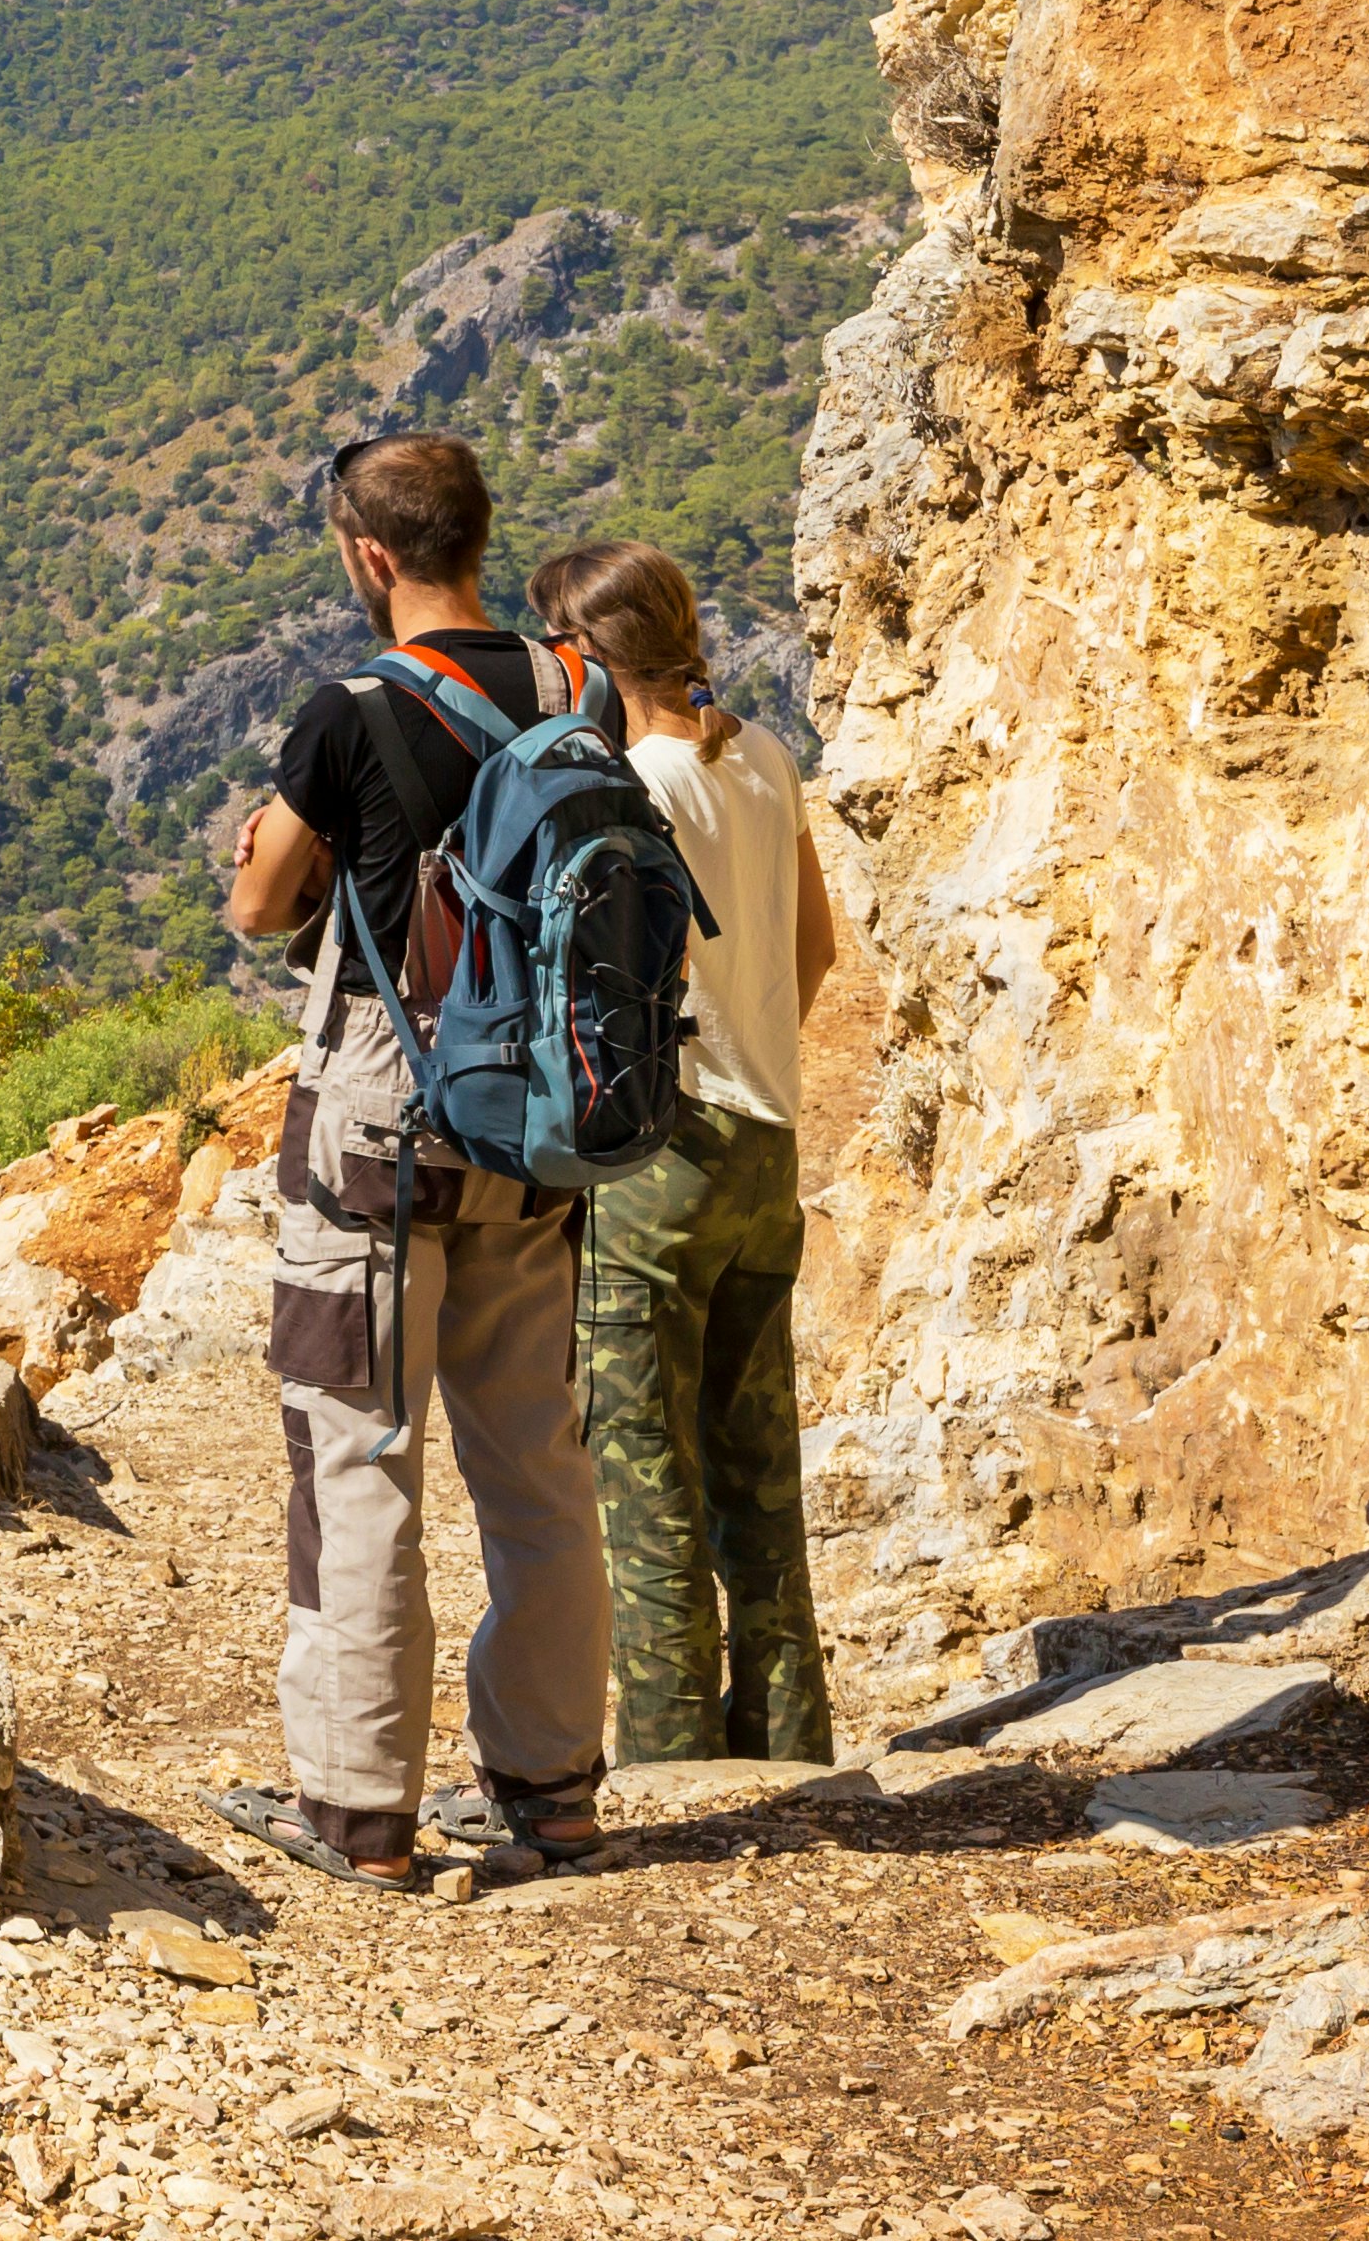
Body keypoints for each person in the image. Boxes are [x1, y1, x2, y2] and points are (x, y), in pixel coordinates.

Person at [213, 430, 610, 1892]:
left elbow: (264, 908)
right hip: (543, 1121)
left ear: (368, 556)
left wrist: (274, 837)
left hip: (385, 1113)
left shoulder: (351, 708)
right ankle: (553, 1790)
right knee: (538, 1465)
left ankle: (359, 1811)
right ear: (477, 538)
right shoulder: (580, 687)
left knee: (360, 1450)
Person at [528, 536, 845, 1764]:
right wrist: (751, 1050)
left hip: (662, 1157)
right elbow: (814, 950)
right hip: (768, 1145)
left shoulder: (632, 785)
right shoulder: (762, 756)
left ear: (593, 656)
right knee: (760, 1478)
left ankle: (673, 1771)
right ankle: (790, 1749)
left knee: (648, 1480)